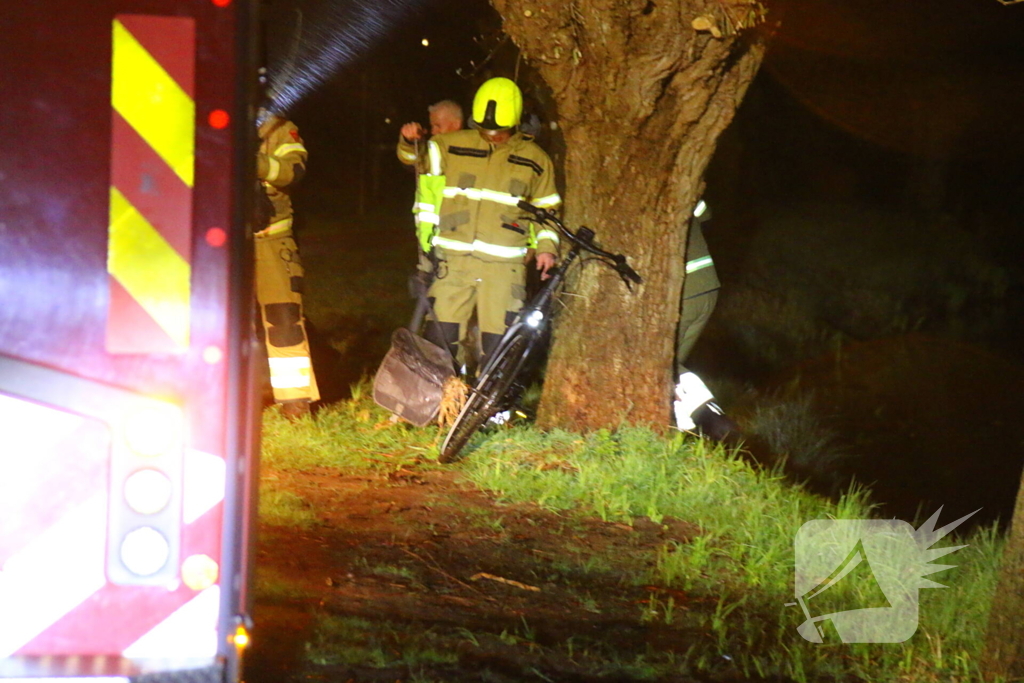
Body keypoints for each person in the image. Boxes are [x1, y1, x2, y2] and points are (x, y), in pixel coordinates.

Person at [396, 77, 561, 367]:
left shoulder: (536, 159)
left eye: (499, 130)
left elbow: (547, 209)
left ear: (516, 122)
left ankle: (495, 411)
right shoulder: (450, 146)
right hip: (453, 262)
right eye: (486, 130)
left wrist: (547, 248)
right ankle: (440, 403)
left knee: (499, 343)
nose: (492, 135)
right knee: (440, 338)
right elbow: (415, 159)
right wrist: (409, 141)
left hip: (504, 269)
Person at [255, 111, 320, 420]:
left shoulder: (281, 129)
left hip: (270, 239)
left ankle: (295, 403)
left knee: (284, 320)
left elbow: (294, 171)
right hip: (221, 240)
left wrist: (257, 164)